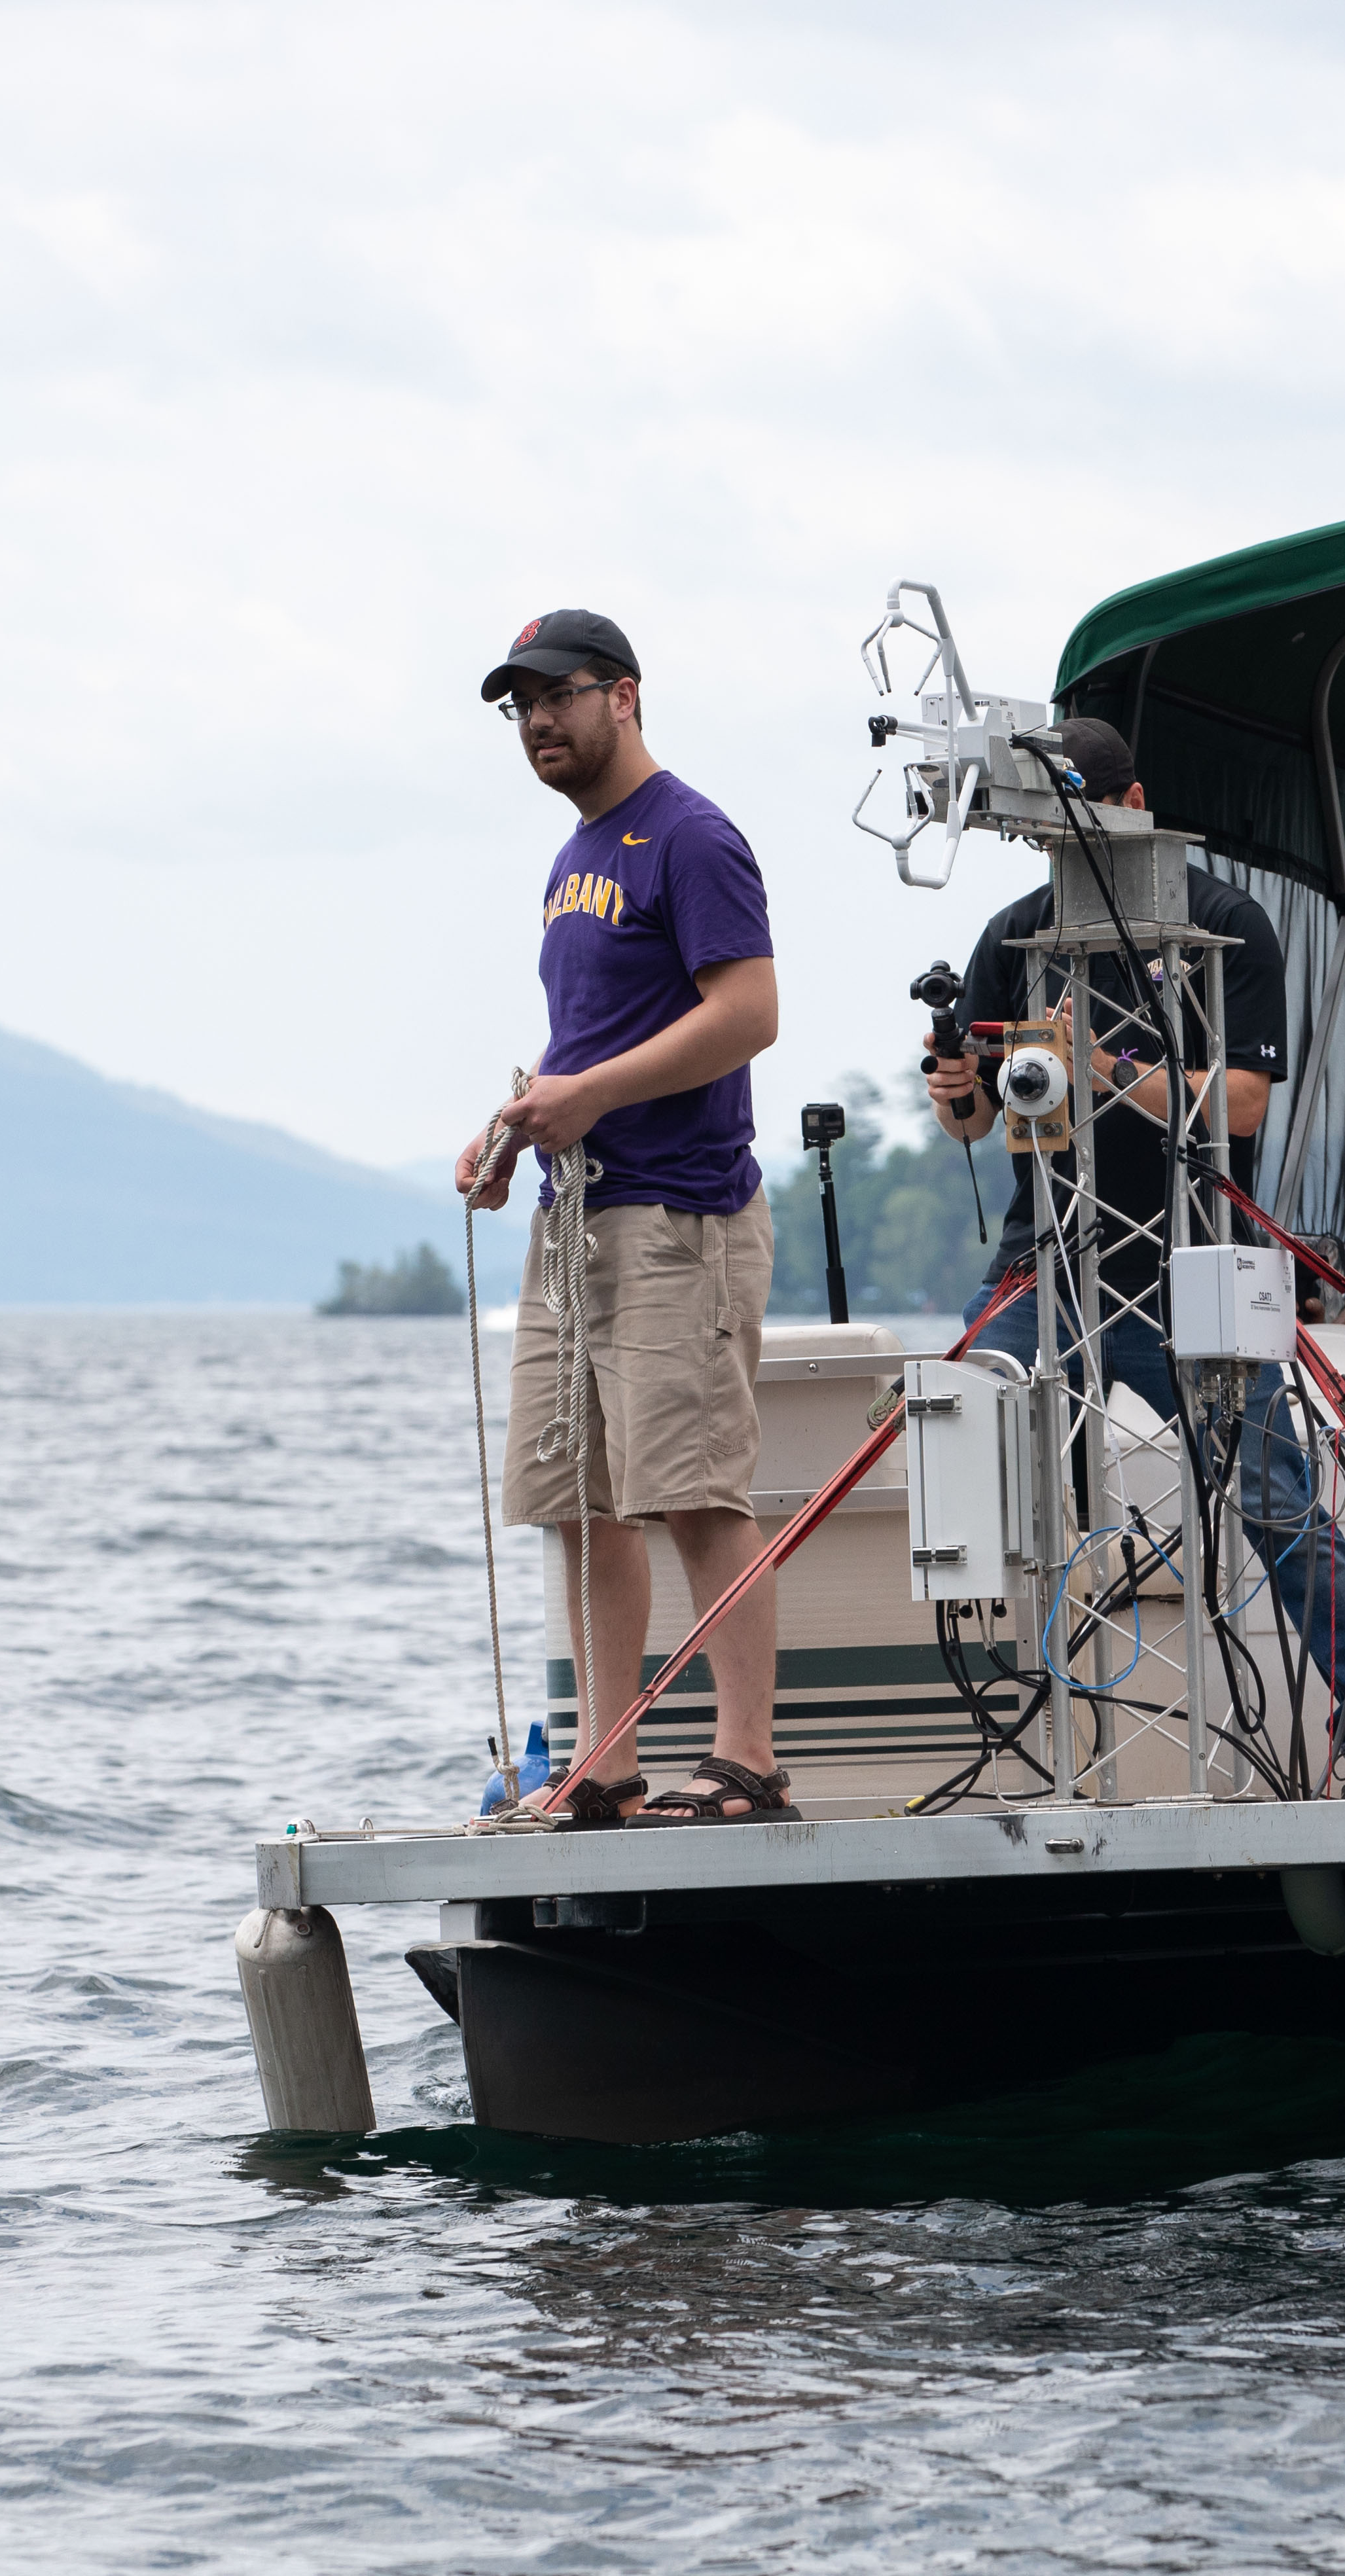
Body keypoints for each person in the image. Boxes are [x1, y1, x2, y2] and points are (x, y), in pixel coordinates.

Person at [920, 716, 1345, 1801]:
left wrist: (1107, 1072)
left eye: (1084, 823)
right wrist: (958, 1096)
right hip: (1044, 1264)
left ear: (1135, 804)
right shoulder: (1013, 934)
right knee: (964, 1440)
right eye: (1046, 835)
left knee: (1277, 1501)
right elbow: (976, 1124)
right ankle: (1014, 1722)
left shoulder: (1225, 925)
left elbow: (1241, 1104)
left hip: (1191, 1267)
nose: (1066, 852)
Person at [457, 608, 792, 1827]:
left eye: (561, 695)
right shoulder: (576, 857)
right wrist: (512, 1133)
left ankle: (748, 1759)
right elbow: (588, 1043)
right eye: (521, 705)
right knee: (578, 1501)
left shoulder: (690, 839)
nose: (540, 721)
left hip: (679, 1220)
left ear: (626, 696)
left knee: (694, 1492)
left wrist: (587, 1095)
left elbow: (748, 1013)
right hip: (577, 1215)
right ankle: (606, 1763)